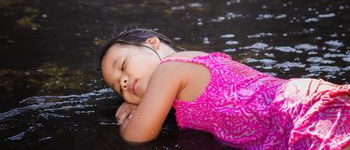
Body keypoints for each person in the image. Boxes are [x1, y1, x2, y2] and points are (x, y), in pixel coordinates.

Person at [100, 28, 350, 149]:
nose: (123, 82)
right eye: (117, 88)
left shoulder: (170, 68)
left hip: (290, 112)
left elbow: (138, 135)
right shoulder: (196, 63)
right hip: (295, 100)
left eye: (123, 65)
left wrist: (128, 116)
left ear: (152, 43)